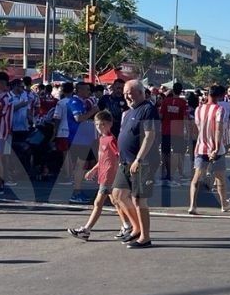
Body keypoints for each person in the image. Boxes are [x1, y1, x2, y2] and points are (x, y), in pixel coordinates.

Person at [67, 111, 128, 240]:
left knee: (98, 203)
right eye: (97, 125)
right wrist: (93, 170)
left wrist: (119, 172)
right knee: (115, 202)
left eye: (102, 124)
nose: (100, 127)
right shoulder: (101, 139)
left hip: (109, 176)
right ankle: (127, 225)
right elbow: (103, 159)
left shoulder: (111, 139)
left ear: (109, 124)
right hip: (104, 174)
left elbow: (119, 156)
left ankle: (86, 230)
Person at [114, 79, 160, 248]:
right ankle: (136, 228)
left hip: (143, 162)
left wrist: (139, 159)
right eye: (125, 93)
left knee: (139, 199)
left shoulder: (148, 109)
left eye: (130, 93)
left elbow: (150, 136)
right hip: (125, 161)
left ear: (140, 92)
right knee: (118, 195)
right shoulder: (129, 111)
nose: (126, 96)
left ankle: (145, 237)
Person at [189, 85, 230, 216]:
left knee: (197, 177)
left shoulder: (198, 109)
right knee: (220, 178)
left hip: (201, 146)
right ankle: (224, 204)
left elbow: (196, 127)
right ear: (219, 96)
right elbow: (218, 129)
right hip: (216, 149)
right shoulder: (220, 109)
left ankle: (192, 205)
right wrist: (216, 148)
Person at [159, 83, 189, 185]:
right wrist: (187, 131)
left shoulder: (165, 101)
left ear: (173, 90)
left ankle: (164, 172)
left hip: (165, 130)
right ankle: (175, 173)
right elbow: (185, 118)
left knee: (165, 152)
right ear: (181, 91)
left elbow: (161, 115)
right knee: (177, 152)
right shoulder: (183, 102)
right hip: (177, 131)